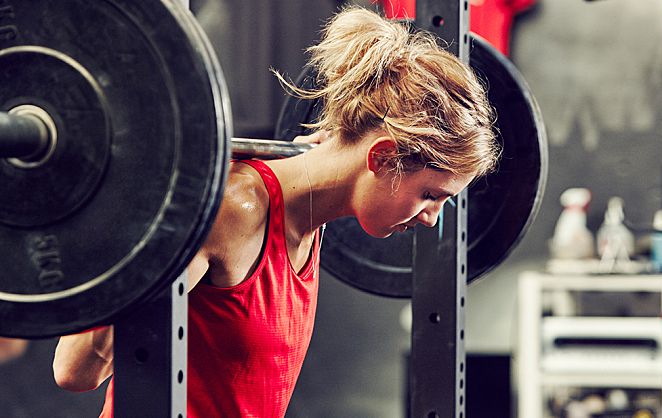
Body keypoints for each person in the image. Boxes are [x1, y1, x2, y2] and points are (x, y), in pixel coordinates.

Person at [51, 6, 499, 418]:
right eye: (430, 194)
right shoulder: (232, 211)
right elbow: (75, 371)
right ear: (381, 158)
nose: (431, 218)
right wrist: (146, 222)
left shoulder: (311, 210)